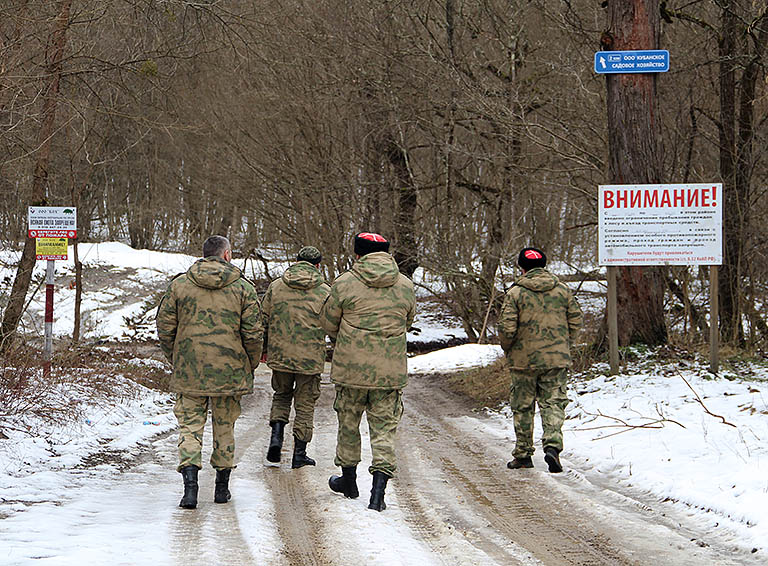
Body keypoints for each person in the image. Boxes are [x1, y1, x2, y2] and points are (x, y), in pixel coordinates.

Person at [156, 235, 262, 508]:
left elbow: (165, 327)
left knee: (190, 429)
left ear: (204, 255)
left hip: (190, 370)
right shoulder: (243, 288)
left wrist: (176, 358)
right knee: (225, 427)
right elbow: (253, 333)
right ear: (226, 255)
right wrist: (249, 364)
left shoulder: (179, 285)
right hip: (229, 371)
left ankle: (190, 490)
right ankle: (221, 489)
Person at [321, 232, 416, 511]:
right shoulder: (405, 285)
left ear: (358, 255)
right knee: (384, 429)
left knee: (348, 425)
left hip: (351, 369)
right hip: (389, 371)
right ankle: (378, 494)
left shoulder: (344, 283)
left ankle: (348, 482)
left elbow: (328, 322)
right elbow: (408, 320)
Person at [498, 247, 583, 473]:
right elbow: (576, 321)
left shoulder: (515, 293)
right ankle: (553, 446)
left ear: (522, 268)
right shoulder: (562, 291)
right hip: (556, 358)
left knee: (523, 406)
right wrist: (564, 345)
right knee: (553, 402)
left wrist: (509, 349)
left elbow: (507, 328)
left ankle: (523, 454)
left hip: (523, 360)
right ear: (544, 265)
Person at [261, 246, 330, 468]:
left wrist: (263, 349)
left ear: (296, 261)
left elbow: (263, 319)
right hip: (310, 358)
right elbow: (333, 323)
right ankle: (299, 454)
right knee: (305, 402)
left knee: (281, 395)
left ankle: (276, 440)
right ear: (318, 265)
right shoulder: (325, 291)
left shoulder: (277, 286)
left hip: (280, 354)